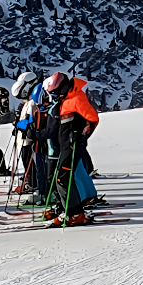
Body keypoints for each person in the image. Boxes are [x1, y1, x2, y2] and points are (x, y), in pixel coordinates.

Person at [44, 72, 102, 227]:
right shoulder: (65, 99)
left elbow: (93, 118)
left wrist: (82, 137)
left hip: (73, 146)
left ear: (63, 87)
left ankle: (74, 214)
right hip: (65, 146)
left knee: (62, 179)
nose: (54, 96)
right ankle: (71, 211)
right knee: (63, 178)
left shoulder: (76, 98)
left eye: (55, 93)